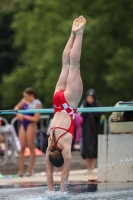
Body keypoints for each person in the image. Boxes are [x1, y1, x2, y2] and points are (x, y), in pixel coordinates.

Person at [46, 16, 86, 192]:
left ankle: (80, 33)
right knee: (64, 65)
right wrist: (49, 190)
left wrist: (61, 192)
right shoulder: (50, 145)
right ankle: (72, 33)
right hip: (57, 100)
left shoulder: (65, 145)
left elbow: (65, 174)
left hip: (69, 103)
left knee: (74, 65)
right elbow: (49, 175)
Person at [14, 87, 42, 177]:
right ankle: (21, 171)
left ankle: (30, 170)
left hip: (31, 125)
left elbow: (36, 118)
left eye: (26, 97)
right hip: (24, 124)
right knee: (22, 148)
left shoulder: (37, 104)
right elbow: (17, 107)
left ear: (31, 95)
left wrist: (24, 116)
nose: (25, 98)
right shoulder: (24, 100)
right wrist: (18, 114)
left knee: (31, 147)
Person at [81, 89, 102, 173]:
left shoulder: (97, 105)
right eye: (88, 98)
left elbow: (99, 114)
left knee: (94, 149)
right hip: (86, 131)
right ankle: (88, 168)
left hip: (94, 130)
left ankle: (92, 168)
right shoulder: (84, 105)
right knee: (87, 149)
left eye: (91, 98)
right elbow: (81, 115)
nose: (89, 99)